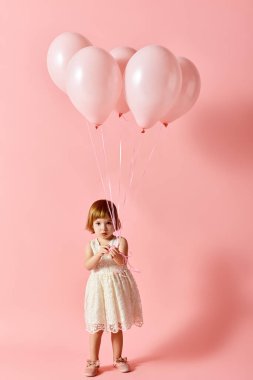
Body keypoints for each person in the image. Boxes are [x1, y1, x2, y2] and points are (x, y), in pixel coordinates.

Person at [84, 199, 143, 377]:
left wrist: (116, 255)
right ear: (92, 225)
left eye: (109, 222)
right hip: (98, 289)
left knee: (116, 326)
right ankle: (93, 360)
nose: (104, 227)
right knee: (97, 327)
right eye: (99, 223)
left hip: (116, 290)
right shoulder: (92, 245)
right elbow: (88, 266)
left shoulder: (121, 241)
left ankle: (118, 358)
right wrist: (98, 255)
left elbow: (123, 263)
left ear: (115, 223)